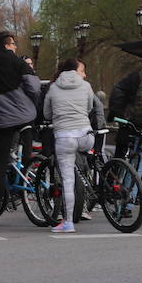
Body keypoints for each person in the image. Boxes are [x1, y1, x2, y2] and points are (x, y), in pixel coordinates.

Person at [0, 31, 41, 227]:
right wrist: (31, 102)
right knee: (28, 154)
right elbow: (34, 87)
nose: (15, 47)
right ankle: (32, 180)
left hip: (2, 121)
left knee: (0, 166)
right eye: (12, 44)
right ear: (5, 46)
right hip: (26, 115)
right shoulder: (16, 62)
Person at [43, 57, 105, 233]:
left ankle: (68, 222)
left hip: (65, 137)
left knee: (67, 180)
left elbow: (47, 113)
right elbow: (88, 108)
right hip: (86, 135)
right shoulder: (86, 86)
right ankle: (94, 177)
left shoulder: (53, 87)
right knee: (84, 153)